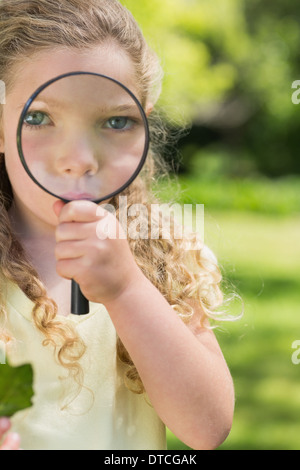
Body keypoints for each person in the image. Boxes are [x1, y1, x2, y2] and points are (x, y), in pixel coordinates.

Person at [0, 0, 235, 450]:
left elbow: (207, 429)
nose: (80, 160)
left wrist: (127, 289)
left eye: (115, 121)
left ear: (143, 119)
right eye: (38, 117)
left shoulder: (160, 249)